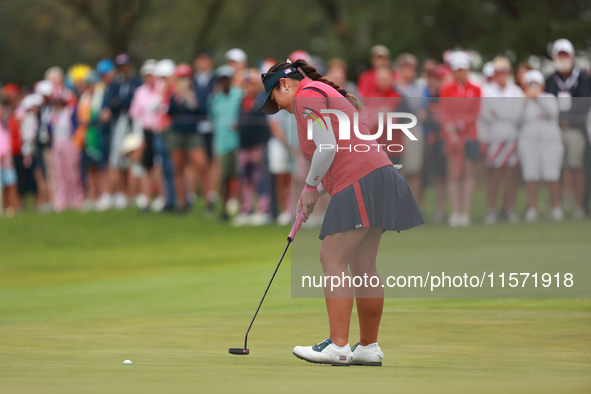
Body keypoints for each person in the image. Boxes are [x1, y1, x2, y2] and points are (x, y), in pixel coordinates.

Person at [260, 59, 423, 366]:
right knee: (363, 265)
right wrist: (317, 191)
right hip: (378, 175)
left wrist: (309, 187)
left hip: (361, 179)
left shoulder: (306, 95)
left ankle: (338, 346)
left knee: (331, 258)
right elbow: (343, 149)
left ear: (285, 84)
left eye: (275, 100)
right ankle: (368, 347)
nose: (278, 107)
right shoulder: (320, 92)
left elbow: (327, 147)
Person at [544, 39, 591, 219]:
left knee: (576, 166)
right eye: (560, 55)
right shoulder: (550, 79)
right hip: (554, 130)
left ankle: (579, 206)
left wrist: (567, 120)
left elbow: (584, 102)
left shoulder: (583, 78)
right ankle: (557, 206)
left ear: (572, 56)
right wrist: (558, 119)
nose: (563, 58)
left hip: (575, 129)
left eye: (566, 55)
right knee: (556, 168)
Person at [480, 57, 524, 224]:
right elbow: (486, 114)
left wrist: (499, 113)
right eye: (498, 73)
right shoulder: (487, 91)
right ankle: (491, 210)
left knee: (511, 175)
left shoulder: (516, 92)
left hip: (512, 137)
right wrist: (506, 114)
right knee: (494, 175)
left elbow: (517, 115)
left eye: (504, 73)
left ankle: (510, 209)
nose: (501, 76)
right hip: (494, 138)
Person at [440, 51, 482, 227]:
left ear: (468, 70)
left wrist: (460, 124)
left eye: (463, 69)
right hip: (451, 137)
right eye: (457, 70)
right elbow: (445, 112)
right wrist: (452, 130)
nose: (460, 73)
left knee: (468, 173)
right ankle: (455, 212)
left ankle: (465, 213)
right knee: (453, 174)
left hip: (470, 135)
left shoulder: (476, 89)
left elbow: (475, 112)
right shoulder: (446, 89)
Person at [518, 70, 565, 222]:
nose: (533, 87)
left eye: (536, 84)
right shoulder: (521, 100)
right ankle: (532, 208)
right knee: (530, 176)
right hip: (528, 141)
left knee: (552, 176)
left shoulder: (549, 98)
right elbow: (516, 119)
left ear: (542, 85)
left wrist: (537, 98)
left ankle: (556, 208)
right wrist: (526, 100)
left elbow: (552, 113)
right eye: (530, 84)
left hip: (549, 142)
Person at [100, 53, 142, 211]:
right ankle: (121, 193)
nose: (123, 69)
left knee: (134, 157)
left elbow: (130, 101)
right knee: (117, 157)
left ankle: (135, 193)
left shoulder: (137, 82)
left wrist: (119, 103)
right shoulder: (116, 84)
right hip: (119, 123)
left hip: (133, 123)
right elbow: (112, 103)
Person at [233, 68, 272, 226]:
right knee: (246, 179)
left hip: (258, 146)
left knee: (260, 178)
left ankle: (262, 211)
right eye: (246, 85)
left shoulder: (262, 101)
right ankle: (247, 209)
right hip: (244, 146)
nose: (248, 88)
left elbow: (264, 127)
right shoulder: (242, 102)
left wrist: (258, 147)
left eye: (251, 85)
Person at [167, 63, 204, 212]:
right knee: (179, 168)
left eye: (186, 77)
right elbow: (169, 112)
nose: (183, 80)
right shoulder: (175, 94)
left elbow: (201, 111)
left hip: (193, 133)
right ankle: (182, 202)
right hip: (177, 133)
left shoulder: (196, 92)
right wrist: (177, 98)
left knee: (200, 165)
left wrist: (190, 98)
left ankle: (208, 201)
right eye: (181, 77)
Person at [208, 65, 242, 220]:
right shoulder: (215, 98)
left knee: (238, 176)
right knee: (224, 178)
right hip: (221, 142)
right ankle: (224, 208)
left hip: (237, 142)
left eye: (226, 79)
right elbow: (212, 118)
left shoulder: (239, 95)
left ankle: (242, 207)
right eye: (222, 79)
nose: (225, 82)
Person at [192, 50, 217, 211]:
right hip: (196, 125)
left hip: (213, 125)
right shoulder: (191, 80)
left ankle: (212, 195)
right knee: (200, 163)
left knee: (213, 161)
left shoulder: (215, 79)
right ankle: (204, 194)